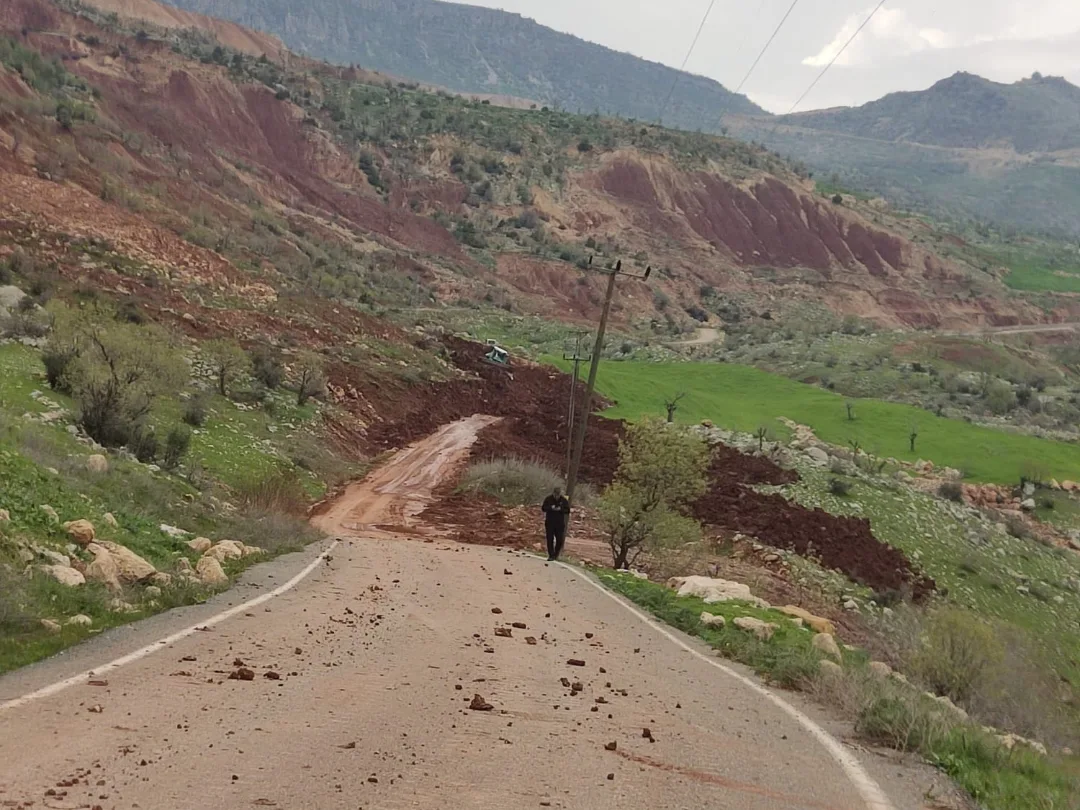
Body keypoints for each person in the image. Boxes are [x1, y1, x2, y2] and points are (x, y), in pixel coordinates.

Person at [541, 486, 571, 561]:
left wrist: (560, 509)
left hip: (559, 523)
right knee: (549, 539)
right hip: (550, 522)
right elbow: (543, 508)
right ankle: (551, 555)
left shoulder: (563, 500)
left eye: (558, 494)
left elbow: (567, 510)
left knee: (559, 539)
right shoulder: (548, 499)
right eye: (556, 494)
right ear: (553, 493)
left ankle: (556, 554)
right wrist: (551, 508)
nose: (557, 496)